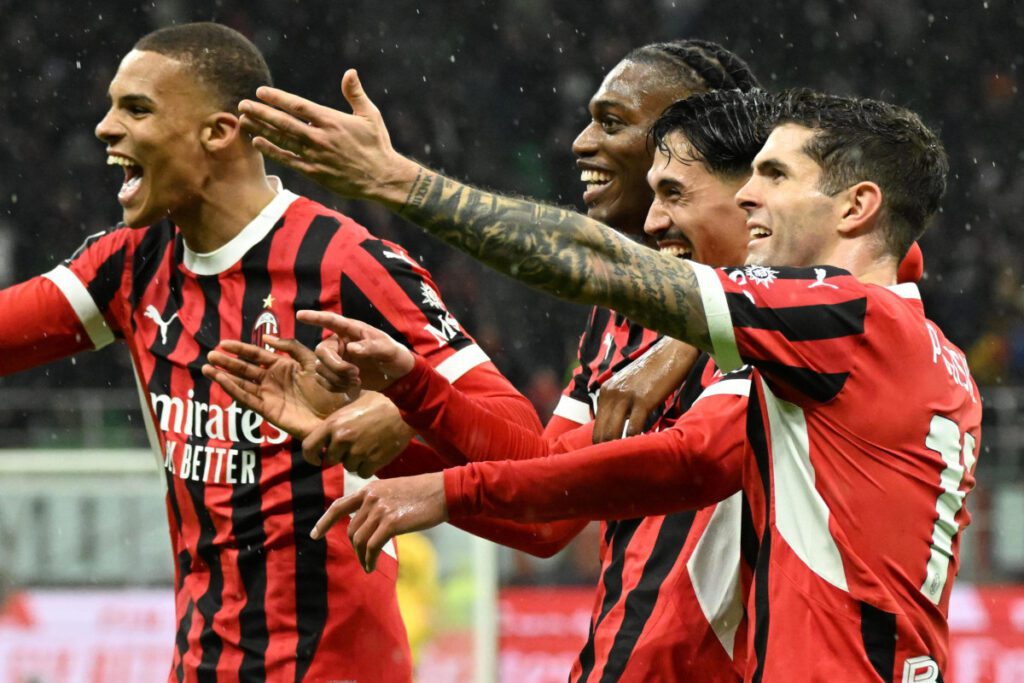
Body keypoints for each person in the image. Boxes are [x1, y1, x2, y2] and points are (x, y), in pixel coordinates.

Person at [237, 77, 981, 681]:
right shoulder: (903, 354)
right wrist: (415, 399)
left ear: (856, 206)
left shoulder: (845, 324)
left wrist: (401, 182)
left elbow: (682, 456)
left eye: (773, 175)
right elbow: (555, 488)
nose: (753, 195)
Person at [0, 22, 542, 682]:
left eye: (136, 108)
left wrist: (405, 411)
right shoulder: (128, 266)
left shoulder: (346, 264)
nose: (105, 129)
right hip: (200, 664)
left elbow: (522, 441)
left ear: (220, 132)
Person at [209, 86, 771, 682]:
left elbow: (688, 457)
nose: (583, 143)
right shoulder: (620, 322)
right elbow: (547, 507)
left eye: (612, 123)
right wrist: (408, 410)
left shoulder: (812, 322)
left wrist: (398, 181)